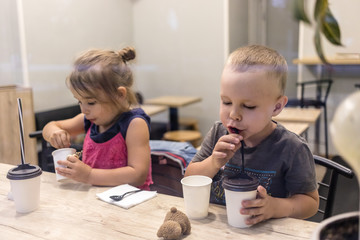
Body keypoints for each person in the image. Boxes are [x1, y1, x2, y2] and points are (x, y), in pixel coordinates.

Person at [184, 45, 319, 225]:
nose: (233, 114)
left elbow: (310, 204)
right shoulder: (218, 132)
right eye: (226, 102)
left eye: (248, 106)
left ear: (277, 107)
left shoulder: (292, 148)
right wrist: (214, 162)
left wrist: (275, 207)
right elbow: (189, 179)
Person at [42, 47, 153, 190]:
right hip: (96, 199)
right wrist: (53, 134)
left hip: (129, 202)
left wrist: (89, 175)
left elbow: (138, 175)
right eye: (79, 101)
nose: (83, 109)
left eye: (91, 102)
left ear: (119, 95)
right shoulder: (89, 119)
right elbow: (51, 125)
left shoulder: (134, 124)